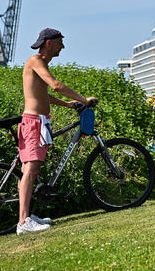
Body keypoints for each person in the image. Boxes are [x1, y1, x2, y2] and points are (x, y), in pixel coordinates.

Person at [17, 28, 99, 235]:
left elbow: (45, 95)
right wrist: (84, 100)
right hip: (34, 122)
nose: (63, 46)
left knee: (31, 170)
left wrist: (69, 105)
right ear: (48, 43)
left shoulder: (40, 64)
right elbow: (55, 86)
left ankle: (26, 217)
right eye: (60, 42)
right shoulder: (35, 60)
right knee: (30, 170)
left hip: (40, 122)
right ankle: (23, 222)